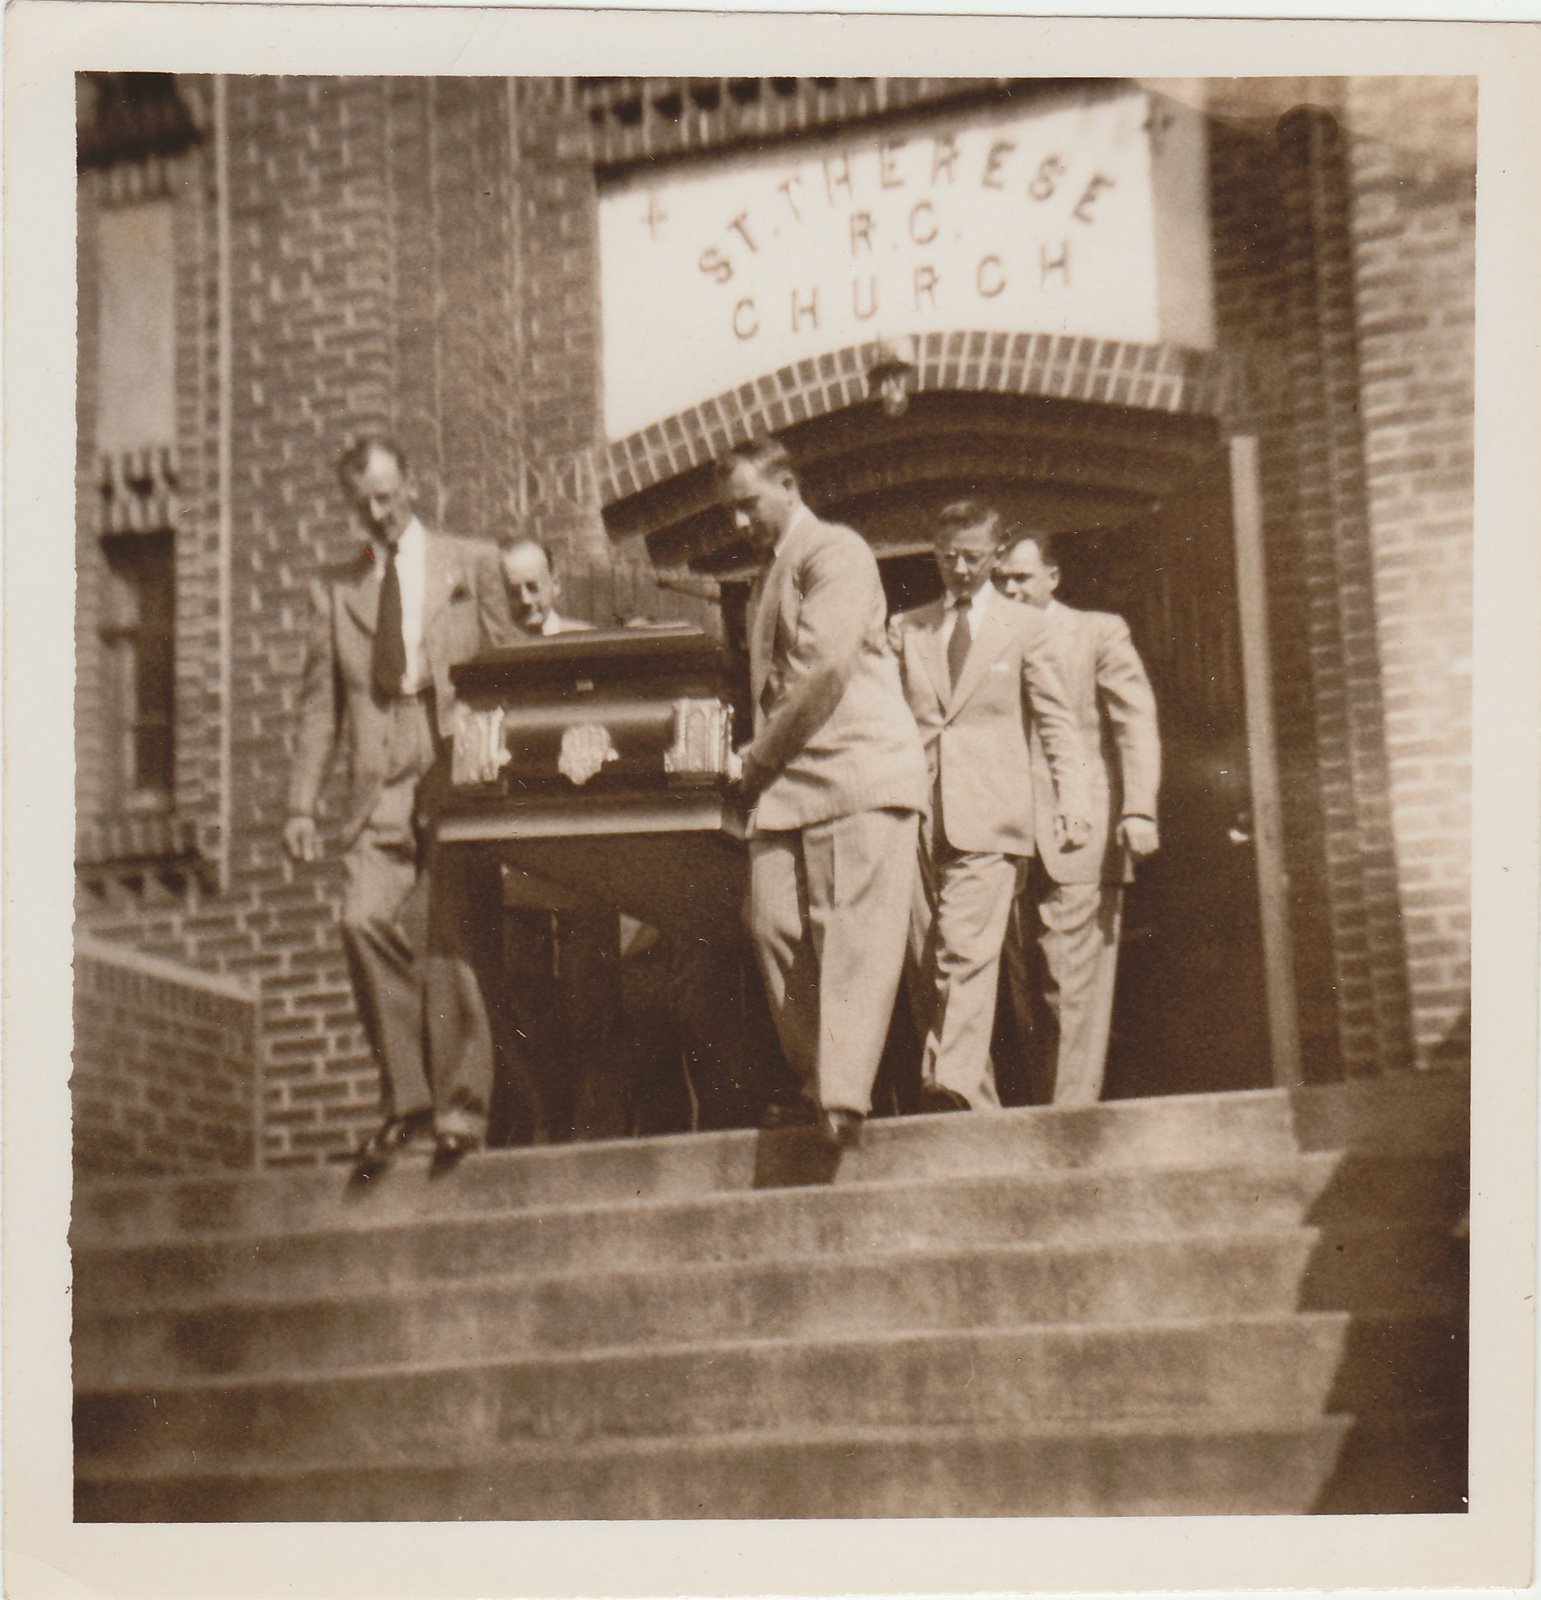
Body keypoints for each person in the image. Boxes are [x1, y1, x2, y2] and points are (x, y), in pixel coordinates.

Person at [284, 436, 513, 1166]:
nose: (377, 515)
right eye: (363, 505)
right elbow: (322, 706)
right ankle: (408, 1099)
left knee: (450, 934)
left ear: (412, 483)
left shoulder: (470, 564)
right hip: (378, 771)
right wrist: (300, 804)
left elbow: (510, 667)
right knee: (362, 918)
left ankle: (461, 1111)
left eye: (387, 497)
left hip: (451, 755)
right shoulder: (336, 588)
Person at [717, 437, 928, 1149]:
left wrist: (754, 758)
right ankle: (819, 1082)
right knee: (773, 924)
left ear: (787, 483)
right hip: (786, 784)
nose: (739, 522)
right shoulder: (764, 576)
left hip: (857, 770)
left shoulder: (834, 552)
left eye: (749, 504)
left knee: (850, 935)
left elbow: (820, 669)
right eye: (731, 511)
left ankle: (838, 1098)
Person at [889, 500, 1092, 1113]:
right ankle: (975, 1115)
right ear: (934, 553)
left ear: (996, 555)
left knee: (965, 949)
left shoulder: (1025, 628)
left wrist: (1072, 800)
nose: (960, 569)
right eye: (948, 557)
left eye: (974, 557)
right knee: (930, 969)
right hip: (916, 815)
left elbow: (1058, 723)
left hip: (992, 816)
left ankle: (946, 1076)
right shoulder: (907, 628)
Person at [993, 527, 1161, 1105]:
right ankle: (1050, 1117)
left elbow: (1134, 722)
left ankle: (1069, 1123)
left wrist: (1139, 807)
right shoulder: (988, 639)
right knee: (1026, 991)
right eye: (1001, 579)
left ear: (1052, 577)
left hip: (1078, 832)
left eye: (1021, 577)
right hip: (1007, 834)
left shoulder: (1097, 632)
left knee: (1071, 987)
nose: (1010, 590)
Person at [499, 535, 590, 637]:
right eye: (514, 591)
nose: (526, 600)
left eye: (533, 587)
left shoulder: (586, 639)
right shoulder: (493, 649)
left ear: (555, 583)